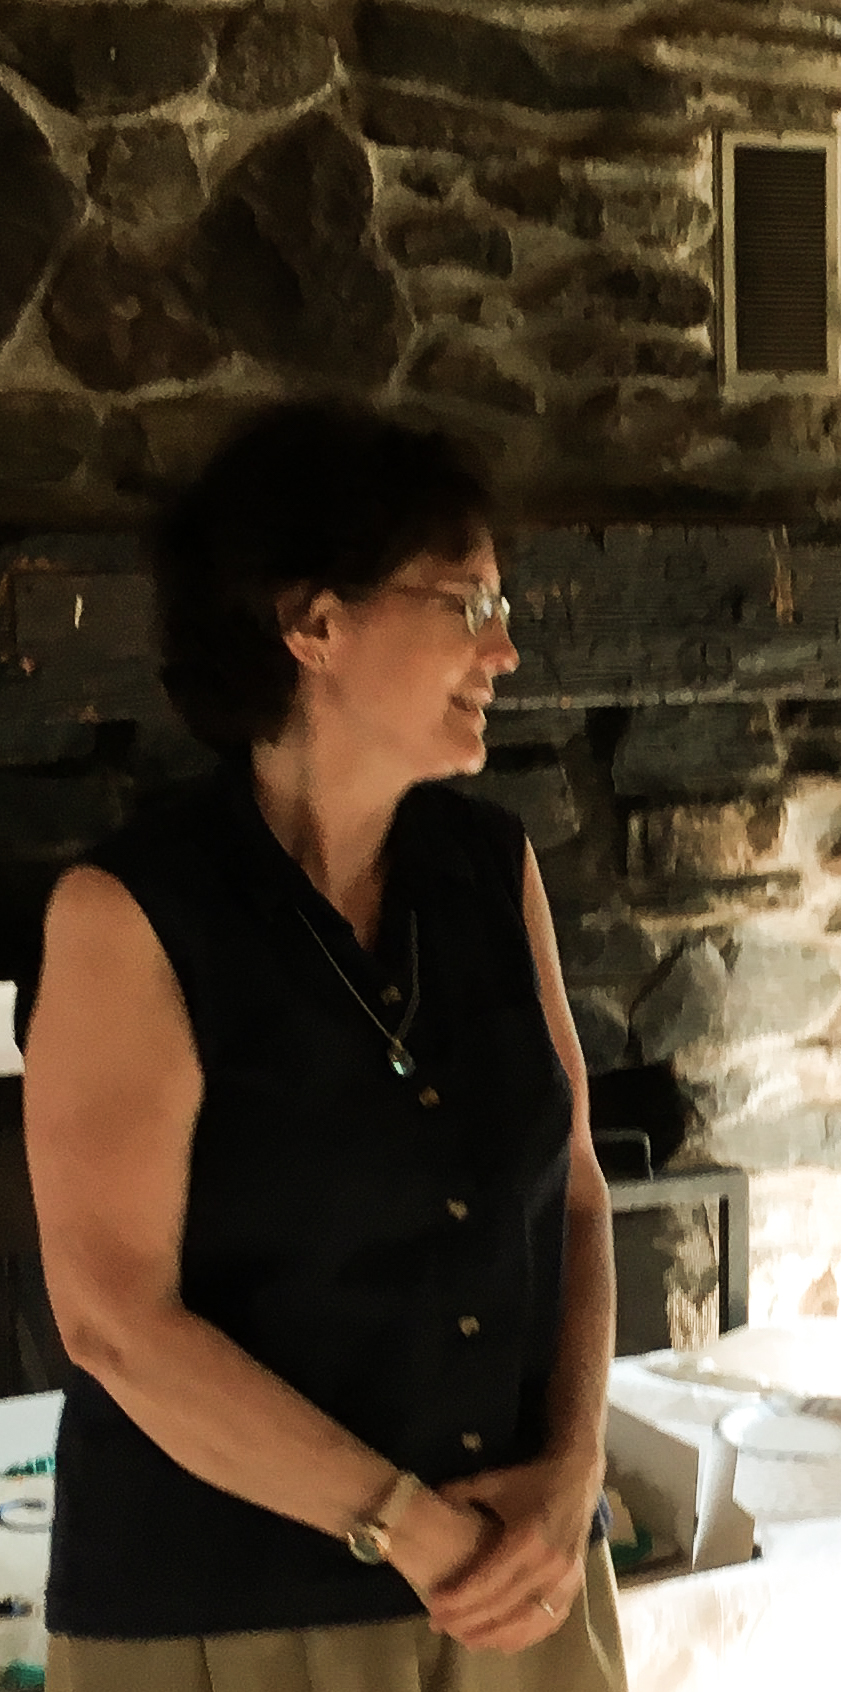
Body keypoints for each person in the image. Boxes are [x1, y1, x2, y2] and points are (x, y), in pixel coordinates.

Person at [22, 402, 627, 1691]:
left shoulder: (489, 865)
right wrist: (401, 1523)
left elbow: (572, 1188)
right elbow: (115, 1322)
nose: (506, 648)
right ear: (314, 623)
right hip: (231, 1614)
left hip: (517, 1582)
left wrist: (575, 1467)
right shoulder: (128, 915)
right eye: (465, 603)